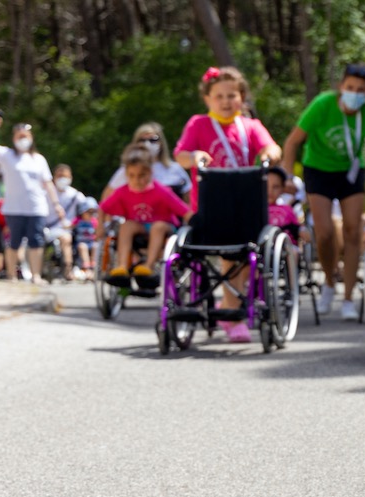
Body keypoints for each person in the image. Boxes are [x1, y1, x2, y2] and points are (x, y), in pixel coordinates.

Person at [174, 66, 282, 338]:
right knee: (230, 258)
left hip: (245, 207)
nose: (225, 101)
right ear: (208, 99)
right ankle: (231, 314)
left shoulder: (250, 126)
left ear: (242, 98)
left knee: (241, 256)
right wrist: (195, 156)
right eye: (219, 96)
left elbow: (272, 147)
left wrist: (269, 154)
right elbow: (180, 155)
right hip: (210, 209)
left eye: (231, 95)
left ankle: (231, 311)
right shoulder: (198, 124)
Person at [282, 63, 365, 320]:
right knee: (325, 232)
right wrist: (287, 176)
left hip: (350, 173)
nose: (354, 93)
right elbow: (292, 142)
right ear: (341, 87)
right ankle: (329, 283)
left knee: (353, 231)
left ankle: (349, 298)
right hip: (317, 170)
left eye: (360, 89)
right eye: (350, 87)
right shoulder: (323, 104)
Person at [0, 112, 65, 283]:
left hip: (36, 207)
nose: (23, 139)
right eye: (19, 136)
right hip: (14, 208)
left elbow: (48, 183)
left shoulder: (38, 159)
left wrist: (56, 204)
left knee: (36, 241)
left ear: (31, 138)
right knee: (14, 241)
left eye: (25, 136)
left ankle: (36, 275)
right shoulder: (7, 156)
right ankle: (11, 275)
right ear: (13, 138)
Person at [100, 144, 192, 290]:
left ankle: (148, 267)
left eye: (141, 175)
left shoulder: (161, 191)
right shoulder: (123, 192)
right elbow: (103, 207)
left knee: (158, 226)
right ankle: (122, 267)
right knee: (127, 225)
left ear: (150, 173)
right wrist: (100, 229)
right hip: (140, 227)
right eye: (131, 175)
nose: (137, 180)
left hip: (165, 228)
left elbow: (185, 211)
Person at [101, 122, 192, 201]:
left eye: (153, 140)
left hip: (171, 220)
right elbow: (107, 197)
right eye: (142, 140)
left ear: (161, 143)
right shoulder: (127, 170)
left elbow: (189, 198)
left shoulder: (175, 169)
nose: (147, 143)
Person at [45, 164, 85, 280]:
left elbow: (88, 209)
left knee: (71, 238)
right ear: (54, 177)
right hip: (49, 228)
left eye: (65, 176)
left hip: (69, 229)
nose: (62, 178)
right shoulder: (48, 193)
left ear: (70, 178)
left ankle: (74, 269)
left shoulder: (75, 194)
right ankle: (65, 270)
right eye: (59, 176)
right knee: (65, 238)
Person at [73, 198, 99, 279]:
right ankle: (86, 267)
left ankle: (93, 266)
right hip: (81, 242)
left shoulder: (94, 221)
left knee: (96, 246)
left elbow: (98, 231)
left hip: (91, 242)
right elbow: (70, 226)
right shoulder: (78, 220)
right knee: (82, 246)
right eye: (89, 212)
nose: (91, 214)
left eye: (93, 212)